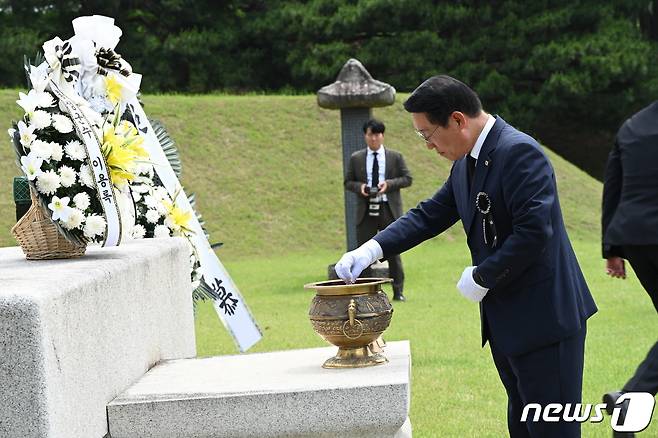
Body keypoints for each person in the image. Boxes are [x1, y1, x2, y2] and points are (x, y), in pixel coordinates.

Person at [334, 75, 597, 437]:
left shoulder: (519, 151)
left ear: (457, 120)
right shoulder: (466, 162)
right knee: (522, 428)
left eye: (428, 134)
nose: (428, 145)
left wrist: (483, 276)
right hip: (507, 323)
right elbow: (429, 215)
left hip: (544, 321)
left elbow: (534, 232)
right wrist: (371, 249)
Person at [601, 100, 658, 438]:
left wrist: (612, 248)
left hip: (634, 238)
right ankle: (630, 400)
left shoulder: (632, 125)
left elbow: (614, 187)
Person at [344, 119, 412, 301]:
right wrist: (361, 188)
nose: (373, 138)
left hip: (388, 208)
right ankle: (364, 292)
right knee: (362, 252)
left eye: (377, 134)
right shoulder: (356, 157)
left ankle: (398, 291)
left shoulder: (395, 157)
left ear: (382, 135)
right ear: (365, 136)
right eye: (369, 134)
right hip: (365, 211)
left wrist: (388, 185)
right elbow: (348, 182)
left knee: (393, 251)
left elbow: (407, 178)